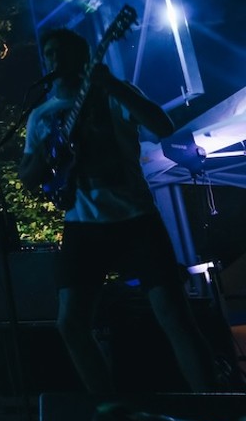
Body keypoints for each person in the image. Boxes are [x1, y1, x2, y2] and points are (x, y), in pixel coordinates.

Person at [18, 26, 219, 394]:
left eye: (62, 52)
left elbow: (162, 125)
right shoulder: (42, 115)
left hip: (136, 219)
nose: (55, 59)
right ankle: (110, 412)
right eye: (49, 54)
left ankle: (214, 409)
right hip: (81, 225)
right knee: (70, 324)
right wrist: (50, 152)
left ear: (84, 56)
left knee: (174, 316)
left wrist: (112, 86)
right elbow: (28, 176)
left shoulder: (113, 93)